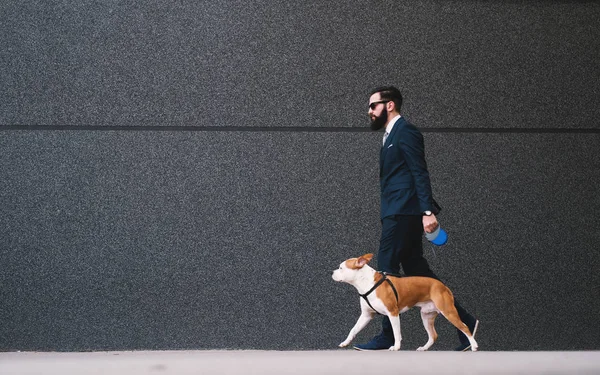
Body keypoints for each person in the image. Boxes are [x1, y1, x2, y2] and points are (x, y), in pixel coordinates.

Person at [353, 86, 479, 351]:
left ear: (389, 105)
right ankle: (465, 320)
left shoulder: (406, 132)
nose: (369, 111)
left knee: (385, 268)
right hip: (397, 211)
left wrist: (427, 211)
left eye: (373, 105)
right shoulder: (389, 135)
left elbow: (419, 172)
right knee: (416, 269)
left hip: (404, 212)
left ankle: (388, 336)